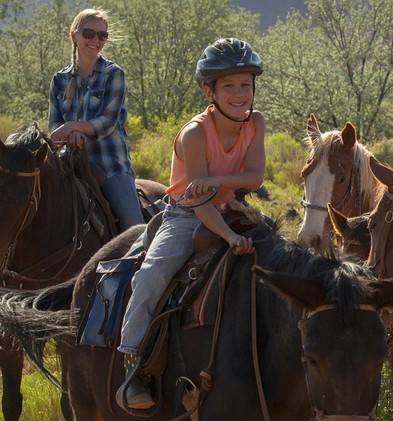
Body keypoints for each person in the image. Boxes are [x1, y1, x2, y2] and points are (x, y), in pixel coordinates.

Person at [116, 38, 266, 410]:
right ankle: (133, 365)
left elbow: (256, 177)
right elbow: (199, 203)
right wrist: (230, 236)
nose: (239, 94)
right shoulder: (195, 133)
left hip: (234, 206)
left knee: (288, 259)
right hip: (187, 214)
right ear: (208, 89)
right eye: (228, 86)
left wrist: (218, 183)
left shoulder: (256, 122)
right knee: (152, 274)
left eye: (245, 85)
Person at [48, 8, 143, 229]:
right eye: (89, 34)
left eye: (102, 36)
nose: (96, 40)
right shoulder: (59, 79)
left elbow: (108, 122)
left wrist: (72, 127)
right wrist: (68, 134)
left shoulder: (113, 73)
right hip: (69, 165)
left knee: (135, 232)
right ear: (74, 35)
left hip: (110, 165)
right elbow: (53, 123)